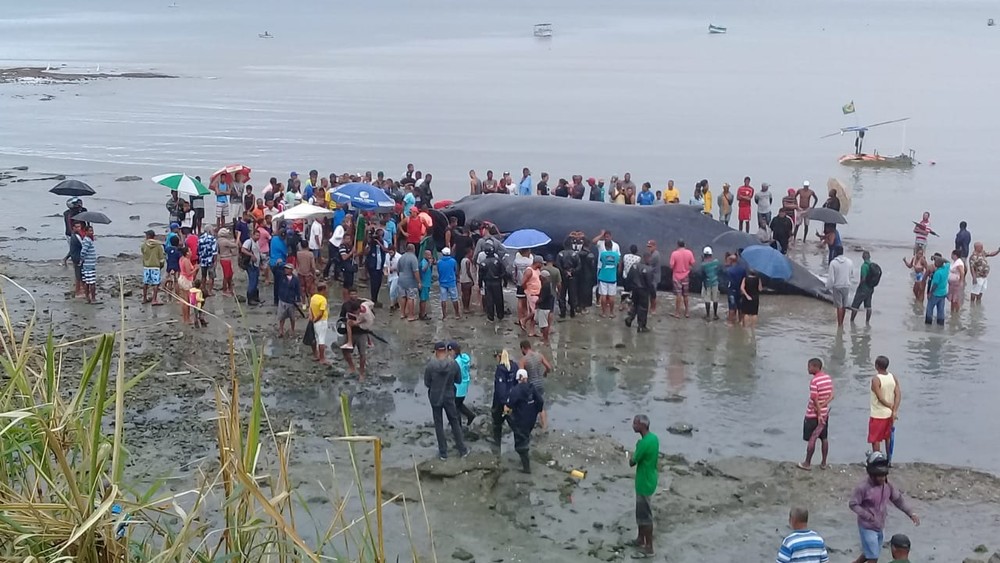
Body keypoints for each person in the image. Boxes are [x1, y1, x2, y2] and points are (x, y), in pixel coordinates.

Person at [849, 452, 920, 563]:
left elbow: (898, 501)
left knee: (871, 552)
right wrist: (867, 515)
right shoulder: (863, 488)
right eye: (879, 476)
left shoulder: (888, 486)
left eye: (884, 475)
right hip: (867, 527)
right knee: (873, 557)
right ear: (872, 474)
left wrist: (911, 513)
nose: (882, 479)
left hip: (880, 526)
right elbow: (853, 504)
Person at [424, 342, 468, 460]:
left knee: (438, 424)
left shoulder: (430, 366)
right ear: (446, 351)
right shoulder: (453, 364)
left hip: (435, 397)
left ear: (436, 351)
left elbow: (427, 383)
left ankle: (443, 453)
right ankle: (462, 450)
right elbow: (458, 380)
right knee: (454, 422)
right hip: (449, 396)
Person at [628, 414, 659, 559]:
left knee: (645, 516)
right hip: (650, 479)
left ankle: (649, 547)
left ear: (642, 425)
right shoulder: (653, 439)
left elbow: (632, 462)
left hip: (644, 483)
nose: (633, 425)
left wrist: (636, 448)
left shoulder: (644, 443)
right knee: (640, 512)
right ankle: (640, 539)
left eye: (635, 423)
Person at [796, 358, 834, 472]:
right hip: (825, 413)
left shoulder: (814, 381)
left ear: (815, 367)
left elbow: (814, 399)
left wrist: (818, 413)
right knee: (824, 438)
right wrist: (823, 406)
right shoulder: (827, 378)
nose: (808, 369)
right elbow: (832, 395)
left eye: (809, 366)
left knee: (812, 439)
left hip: (813, 415)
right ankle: (823, 463)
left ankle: (807, 463)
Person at [504, 369, 543, 473]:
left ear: (518, 378)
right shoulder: (532, 387)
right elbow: (540, 401)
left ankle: (526, 468)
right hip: (531, 419)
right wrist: (536, 411)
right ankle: (524, 460)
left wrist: (506, 413)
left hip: (521, 420)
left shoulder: (516, 390)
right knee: (525, 437)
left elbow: (509, 405)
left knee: (520, 444)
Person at [868, 355, 900, 457]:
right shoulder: (893, 377)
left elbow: (880, 398)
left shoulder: (876, 379)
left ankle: (877, 459)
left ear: (876, 366)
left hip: (878, 414)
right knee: (888, 437)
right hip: (889, 414)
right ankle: (889, 460)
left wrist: (889, 406)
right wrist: (894, 410)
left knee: (875, 439)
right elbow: (898, 394)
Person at [519, 340, 552, 430]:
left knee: (529, 405)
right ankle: (544, 426)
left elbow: (522, 377)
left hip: (531, 385)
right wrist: (545, 373)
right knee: (541, 406)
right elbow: (549, 367)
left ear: (522, 348)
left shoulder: (523, 360)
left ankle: (529, 425)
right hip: (540, 383)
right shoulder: (539, 356)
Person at [490, 349, 517, 451]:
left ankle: (497, 448)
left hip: (500, 403)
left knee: (497, 424)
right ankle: (521, 443)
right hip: (513, 400)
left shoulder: (500, 369)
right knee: (515, 425)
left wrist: (504, 403)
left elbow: (500, 388)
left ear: (499, 357)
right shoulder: (514, 366)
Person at [625, 253, 654, 332]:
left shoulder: (634, 266)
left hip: (635, 289)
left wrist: (628, 288)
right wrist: (652, 293)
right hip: (643, 290)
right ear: (647, 259)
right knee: (643, 308)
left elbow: (629, 277)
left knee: (635, 304)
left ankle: (629, 318)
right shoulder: (649, 269)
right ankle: (641, 326)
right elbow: (649, 283)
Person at [448, 342, 476, 425]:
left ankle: (458, 426)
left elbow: (452, 376)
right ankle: (470, 415)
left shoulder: (456, 363)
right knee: (459, 404)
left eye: (450, 350)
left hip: (458, 388)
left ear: (454, 351)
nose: (449, 353)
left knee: (455, 407)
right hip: (465, 385)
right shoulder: (464, 359)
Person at [826, 246, 854, 327]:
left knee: (839, 306)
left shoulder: (833, 263)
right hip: (846, 285)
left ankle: (839, 324)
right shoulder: (849, 262)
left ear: (835, 252)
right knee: (844, 306)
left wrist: (827, 287)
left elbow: (831, 278)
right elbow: (851, 274)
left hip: (837, 286)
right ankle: (842, 322)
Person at [850, 251, 880, 324]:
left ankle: (852, 321)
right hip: (870, 288)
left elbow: (863, 278)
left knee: (855, 306)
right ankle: (867, 322)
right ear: (869, 257)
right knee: (868, 306)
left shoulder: (864, 266)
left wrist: (859, 285)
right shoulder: (872, 265)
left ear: (863, 257)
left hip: (863, 288)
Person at [669, 239, 695, 318]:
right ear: (685, 245)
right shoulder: (689, 252)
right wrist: (688, 268)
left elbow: (671, 266)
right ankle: (687, 312)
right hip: (686, 275)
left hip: (677, 276)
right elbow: (693, 263)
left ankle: (677, 313)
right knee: (686, 295)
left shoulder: (674, 253)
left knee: (678, 294)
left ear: (677, 245)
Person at [480, 245, 507, 322]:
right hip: (497, 283)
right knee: (499, 299)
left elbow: (480, 275)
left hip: (488, 283)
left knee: (489, 300)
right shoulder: (498, 261)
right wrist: (505, 282)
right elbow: (504, 272)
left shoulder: (483, 263)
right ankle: (500, 315)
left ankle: (490, 316)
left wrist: (480, 284)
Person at [556, 240, 580, 318]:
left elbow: (558, 265)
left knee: (562, 294)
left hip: (563, 277)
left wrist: (564, 272)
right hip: (573, 277)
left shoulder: (560, 254)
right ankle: (572, 311)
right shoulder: (575, 254)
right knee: (572, 294)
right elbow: (579, 266)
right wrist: (572, 271)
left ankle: (563, 312)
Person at [141, 229, 165, 305]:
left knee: (145, 283)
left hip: (147, 266)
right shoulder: (158, 246)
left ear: (148, 236)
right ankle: (154, 299)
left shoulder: (144, 245)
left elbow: (143, 254)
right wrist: (161, 266)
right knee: (156, 283)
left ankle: (144, 298)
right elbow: (161, 258)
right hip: (155, 266)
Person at [397, 243, 421, 321]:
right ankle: (410, 315)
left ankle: (402, 313)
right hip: (410, 281)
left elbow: (398, 269)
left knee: (403, 297)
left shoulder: (401, 257)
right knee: (411, 297)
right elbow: (415, 271)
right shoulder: (413, 258)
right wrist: (419, 282)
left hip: (401, 280)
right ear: (413, 249)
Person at [597, 240, 620, 318]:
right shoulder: (617, 255)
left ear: (605, 247)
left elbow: (602, 262)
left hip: (603, 276)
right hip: (612, 277)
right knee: (612, 296)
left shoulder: (603, 254)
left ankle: (603, 313)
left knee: (603, 295)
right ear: (612, 246)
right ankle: (611, 313)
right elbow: (617, 263)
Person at [276, 263, 301, 337]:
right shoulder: (281, 277)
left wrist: (298, 299)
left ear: (291, 270)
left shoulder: (295, 279)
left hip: (291, 301)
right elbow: (277, 269)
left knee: (292, 317)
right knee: (281, 317)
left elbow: (298, 290)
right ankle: (281, 330)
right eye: (285, 268)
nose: (286, 270)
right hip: (282, 299)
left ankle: (292, 330)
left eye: (288, 268)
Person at [436, 247, 461, 319]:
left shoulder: (439, 262)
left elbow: (438, 271)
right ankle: (457, 314)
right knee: (455, 298)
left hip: (442, 282)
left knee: (443, 299)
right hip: (451, 282)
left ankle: (444, 315)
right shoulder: (453, 261)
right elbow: (456, 271)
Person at [241, 228, 263, 305]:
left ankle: (255, 297)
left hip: (256, 264)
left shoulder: (256, 243)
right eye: (256, 235)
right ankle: (250, 299)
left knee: (256, 281)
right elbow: (243, 250)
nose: (258, 237)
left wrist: (261, 264)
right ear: (252, 235)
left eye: (259, 236)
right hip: (251, 265)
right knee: (252, 281)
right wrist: (251, 255)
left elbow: (258, 253)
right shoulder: (248, 242)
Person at [925, 254, 949, 325]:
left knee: (929, 309)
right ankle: (940, 324)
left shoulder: (937, 273)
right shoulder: (946, 268)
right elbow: (948, 262)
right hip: (943, 293)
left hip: (935, 294)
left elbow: (935, 284)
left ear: (937, 264)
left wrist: (930, 293)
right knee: (941, 310)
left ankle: (928, 323)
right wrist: (938, 258)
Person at [699, 247, 721, 320]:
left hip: (707, 283)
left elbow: (702, 275)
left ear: (704, 255)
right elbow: (718, 271)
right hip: (715, 282)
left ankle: (708, 315)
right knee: (715, 299)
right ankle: (715, 315)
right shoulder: (716, 262)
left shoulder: (703, 265)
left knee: (707, 299)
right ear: (711, 254)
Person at [310, 282, 329, 363]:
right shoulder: (323, 300)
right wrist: (316, 320)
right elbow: (321, 313)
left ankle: (315, 355)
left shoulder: (313, 297)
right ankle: (322, 358)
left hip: (314, 320)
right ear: (323, 290)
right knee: (322, 340)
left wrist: (312, 319)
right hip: (321, 321)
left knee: (315, 338)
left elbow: (310, 309)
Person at [197, 226, 219, 297]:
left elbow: (198, 250)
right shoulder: (212, 239)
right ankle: (209, 291)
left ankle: (203, 289)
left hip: (203, 260)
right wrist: (215, 261)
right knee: (211, 276)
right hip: (210, 260)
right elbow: (214, 251)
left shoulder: (200, 238)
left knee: (203, 276)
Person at [80, 225, 98, 304]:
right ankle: (93, 299)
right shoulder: (87, 240)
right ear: (86, 232)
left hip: (87, 264)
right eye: (90, 231)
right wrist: (82, 258)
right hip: (89, 264)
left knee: (87, 282)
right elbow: (83, 252)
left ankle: (88, 298)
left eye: (92, 230)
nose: (92, 232)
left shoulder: (87, 240)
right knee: (92, 282)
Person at [178, 246, 196, 323]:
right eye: (190, 250)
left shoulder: (182, 259)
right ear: (187, 253)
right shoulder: (186, 260)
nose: (191, 252)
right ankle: (186, 319)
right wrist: (195, 269)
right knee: (186, 301)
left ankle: (186, 318)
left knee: (184, 300)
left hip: (182, 278)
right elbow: (189, 273)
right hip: (186, 280)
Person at [536, 270, 555, 343]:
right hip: (548, 307)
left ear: (542, 277)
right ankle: (545, 338)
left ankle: (545, 339)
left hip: (544, 307)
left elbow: (542, 298)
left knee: (544, 325)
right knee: (544, 324)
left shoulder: (545, 286)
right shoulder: (549, 285)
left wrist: (536, 302)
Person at [948, 248, 966, 314]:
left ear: (955, 255)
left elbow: (962, 272)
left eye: (952, 254)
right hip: (952, 283)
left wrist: (961, 281)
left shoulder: (959, 263)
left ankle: (957, 312)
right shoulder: (954, 262)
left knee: (956, 299)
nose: (951, 255)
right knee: (952, 299)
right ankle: (952, 312)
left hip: (956, 283)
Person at [418, 248, 434, 320]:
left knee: (424, 299)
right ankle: (422, 314)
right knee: (423, 300)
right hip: (424, 283)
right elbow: (423, 269)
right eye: (429, 255)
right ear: (425, 255)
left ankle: (422, 313)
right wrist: (428, 263)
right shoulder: (424, 262)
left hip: (427, 283)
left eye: (430, 255)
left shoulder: (426, 261)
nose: (430, 256)